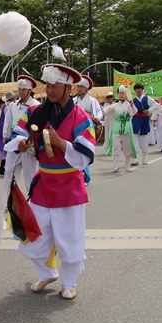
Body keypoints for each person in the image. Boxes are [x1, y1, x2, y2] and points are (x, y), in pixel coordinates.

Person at [15, 63, 95, 300]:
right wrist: (21, 143)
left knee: (69, 236)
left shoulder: (81, 116)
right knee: (35, 234)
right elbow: (18, 133)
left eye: (54, 86)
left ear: (68, 87)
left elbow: (87, 153)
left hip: (69, 184)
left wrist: (62, 143)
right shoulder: (35, 112)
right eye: (47, 85)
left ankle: (69, 282)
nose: (49, 91)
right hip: (44, 182)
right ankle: (47, 272)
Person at [3, 76, 38, 193]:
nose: (21, 92)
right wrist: (5, 135)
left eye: (24, 89)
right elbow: (7, 121)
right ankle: (11, 198)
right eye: (20, 89)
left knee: (30, 173)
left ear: (30, 90)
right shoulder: (13, 105)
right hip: (14, 141)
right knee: (9, 170)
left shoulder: (36, 106)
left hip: (29, 143)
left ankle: (32, 200)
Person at [104, 85, 136, 172]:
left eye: (123, 93)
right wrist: (100, 109)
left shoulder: (129, 105)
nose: (121, 95)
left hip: (127, 126)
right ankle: (116, 165)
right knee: (116, 146)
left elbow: (134, 112)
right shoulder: (115, 105)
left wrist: (132, 105)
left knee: (127, 146)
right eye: (120, 93)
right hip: (117, 126)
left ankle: (127, 165)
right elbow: (106, 111)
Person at [131, 83, 158, 165]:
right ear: (135, 91)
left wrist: (149, 111)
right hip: (135, 120)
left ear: (142, 90)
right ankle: (135, 159)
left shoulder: (147, 98)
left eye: (140, 89)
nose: (138, 90)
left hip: (144, 119)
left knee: (144, 139)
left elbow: (156, 105)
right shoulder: (133, 100)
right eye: (136, 89)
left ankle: (144, 158)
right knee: (135, 139)